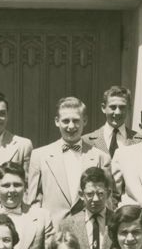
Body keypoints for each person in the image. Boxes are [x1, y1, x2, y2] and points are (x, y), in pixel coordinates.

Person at [27, 96, 110, 226]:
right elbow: (33, 201)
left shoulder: (101, 157)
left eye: (76, 121)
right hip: (52, 231)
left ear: (85, 121)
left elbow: (107, 200)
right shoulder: (40, 156)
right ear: (57, 121)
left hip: (88, 230)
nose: (71, 126)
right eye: (66, 121)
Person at [59, 167, 114, 249]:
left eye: (100, 193)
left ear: (108, 194)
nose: (95, 199)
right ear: (81, 194)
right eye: (90, 194)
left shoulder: (117, 220)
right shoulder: (68, 225)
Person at [83, 85, 141, 158]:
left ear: (129, 108)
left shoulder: (140, 141)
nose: (117, 112)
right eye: (113, 107)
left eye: (122, 107)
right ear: (103, 108)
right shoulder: (86, 141)